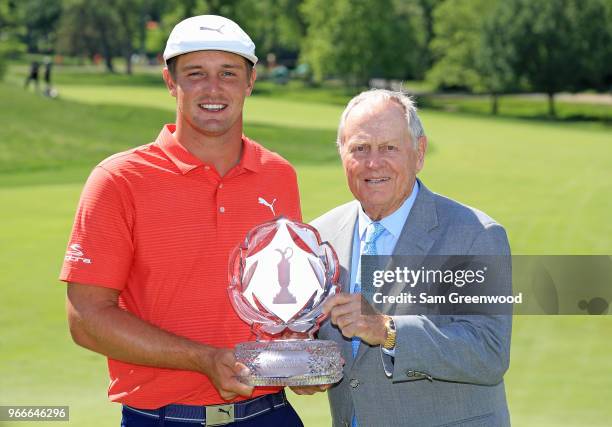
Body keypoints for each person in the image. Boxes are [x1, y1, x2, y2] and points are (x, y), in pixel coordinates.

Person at [60, 15, 303, 427]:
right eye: (196, 74)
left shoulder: (278, 174)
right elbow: (86, 318)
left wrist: (300, 352)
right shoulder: (118, 180)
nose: (213, 89)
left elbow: (286, 299)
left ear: (250, 81)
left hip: (270, 412)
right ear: (171, 82)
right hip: (162, 419)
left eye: (228, 73)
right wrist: (204, 360)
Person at [306, 89, 512, 427]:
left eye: (389, 147)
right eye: (360, 148)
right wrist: (306, 364)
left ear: (419, 153)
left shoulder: (475, 234)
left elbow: (487, 352)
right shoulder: (319, 236)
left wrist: (387, 330)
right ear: (342, 154)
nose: (374, 163)